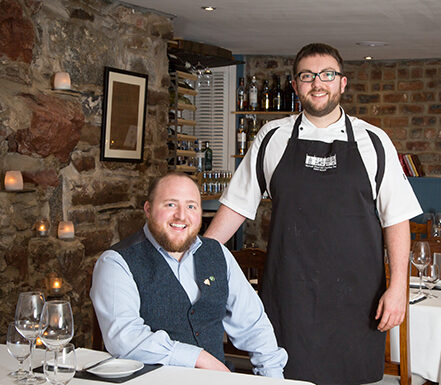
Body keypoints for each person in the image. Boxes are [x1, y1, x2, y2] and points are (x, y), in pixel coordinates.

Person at [204, 43, 423, 384]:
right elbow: (236, 207)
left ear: (342, 83)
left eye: (327, 75)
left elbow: (396, 219)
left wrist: (398, 290)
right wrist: (197, 259)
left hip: (359, 296)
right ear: (295, 85)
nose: (317, 83)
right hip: (290, 293)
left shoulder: (375, 141)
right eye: (307, 76)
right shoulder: (271, 137)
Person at [90, 172, 287, 377]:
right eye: (170, 205)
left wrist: (273, 378)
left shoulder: (218, 253)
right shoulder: (115, 262)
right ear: (148, 210)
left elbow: (254, 326)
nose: (181, 216)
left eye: (191, 206)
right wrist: (199, 358)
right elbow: (124, 338)